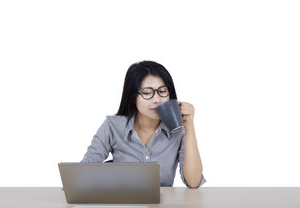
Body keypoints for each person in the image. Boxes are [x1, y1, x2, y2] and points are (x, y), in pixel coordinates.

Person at [81, 60, 206, 188]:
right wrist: (76, 181)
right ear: (132, 97)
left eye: (162, 91)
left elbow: (193, 182)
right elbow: (86, 169)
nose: (157, 100)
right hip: (123, 202)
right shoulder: (112, 126)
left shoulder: (177, 128)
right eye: (147, 93)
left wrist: (189, 126)